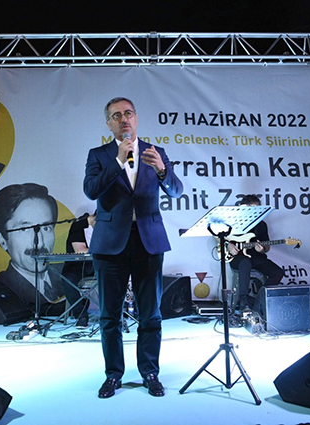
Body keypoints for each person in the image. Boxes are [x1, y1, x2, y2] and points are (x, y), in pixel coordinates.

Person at [84, 97, 183, 398]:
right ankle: (113, 375)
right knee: (110, 316)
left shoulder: (155, 152)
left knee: (151, 314)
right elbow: (91, 190)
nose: (123, 119)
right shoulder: (99, 155)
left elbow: (176, 191)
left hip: (148, 242)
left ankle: (150, 372)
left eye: (128, 113)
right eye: (116, 116)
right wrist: (118, 161)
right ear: (108, 123)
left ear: (136, 118)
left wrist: (163, 170)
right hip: (110, 244)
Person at [0, 183, 65, 316]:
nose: (39, 243)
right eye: (25, 229)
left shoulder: (67, 273)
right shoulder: (2, 288)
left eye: (46, 228)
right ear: (2, 240)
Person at [228, 194, 285, 313]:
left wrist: (262, 249)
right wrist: (229, 245)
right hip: (238, 258)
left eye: (258, 209)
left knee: (278, 272)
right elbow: (217, 235)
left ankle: (259, 300)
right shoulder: (234, 222)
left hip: (257, 257)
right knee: (245, 262)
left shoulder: (262, 225)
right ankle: (243, 301)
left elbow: (267, 246)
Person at [61, 211, 96, 329]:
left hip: (98, 264)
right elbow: (80, 250)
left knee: (114, 274)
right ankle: (81, 315)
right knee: (68, 278)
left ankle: (114, 315)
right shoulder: (78, 225)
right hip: (77, 265)